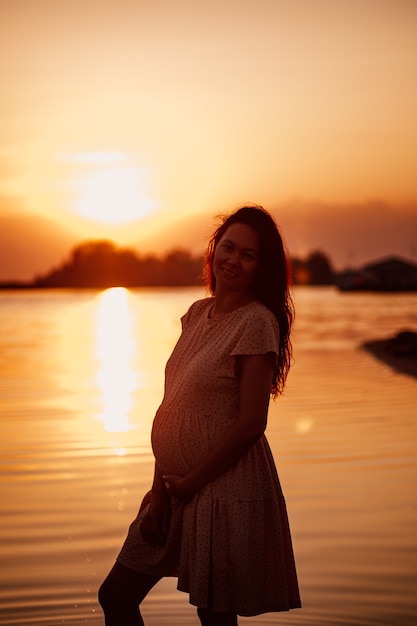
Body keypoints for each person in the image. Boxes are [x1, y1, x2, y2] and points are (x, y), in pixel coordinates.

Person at [99, 205, 301, 625]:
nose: (234, 260)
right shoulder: (195, 314)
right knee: (116, 596)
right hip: (175, 487)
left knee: (215, 617)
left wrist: (192, 482)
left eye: (249, 254)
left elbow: (252, 424)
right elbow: (172, 405)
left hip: (224, 488)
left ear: (262, 267)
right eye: (228, 247)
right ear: (213, 251)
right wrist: (160, 490)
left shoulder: (257, 323)